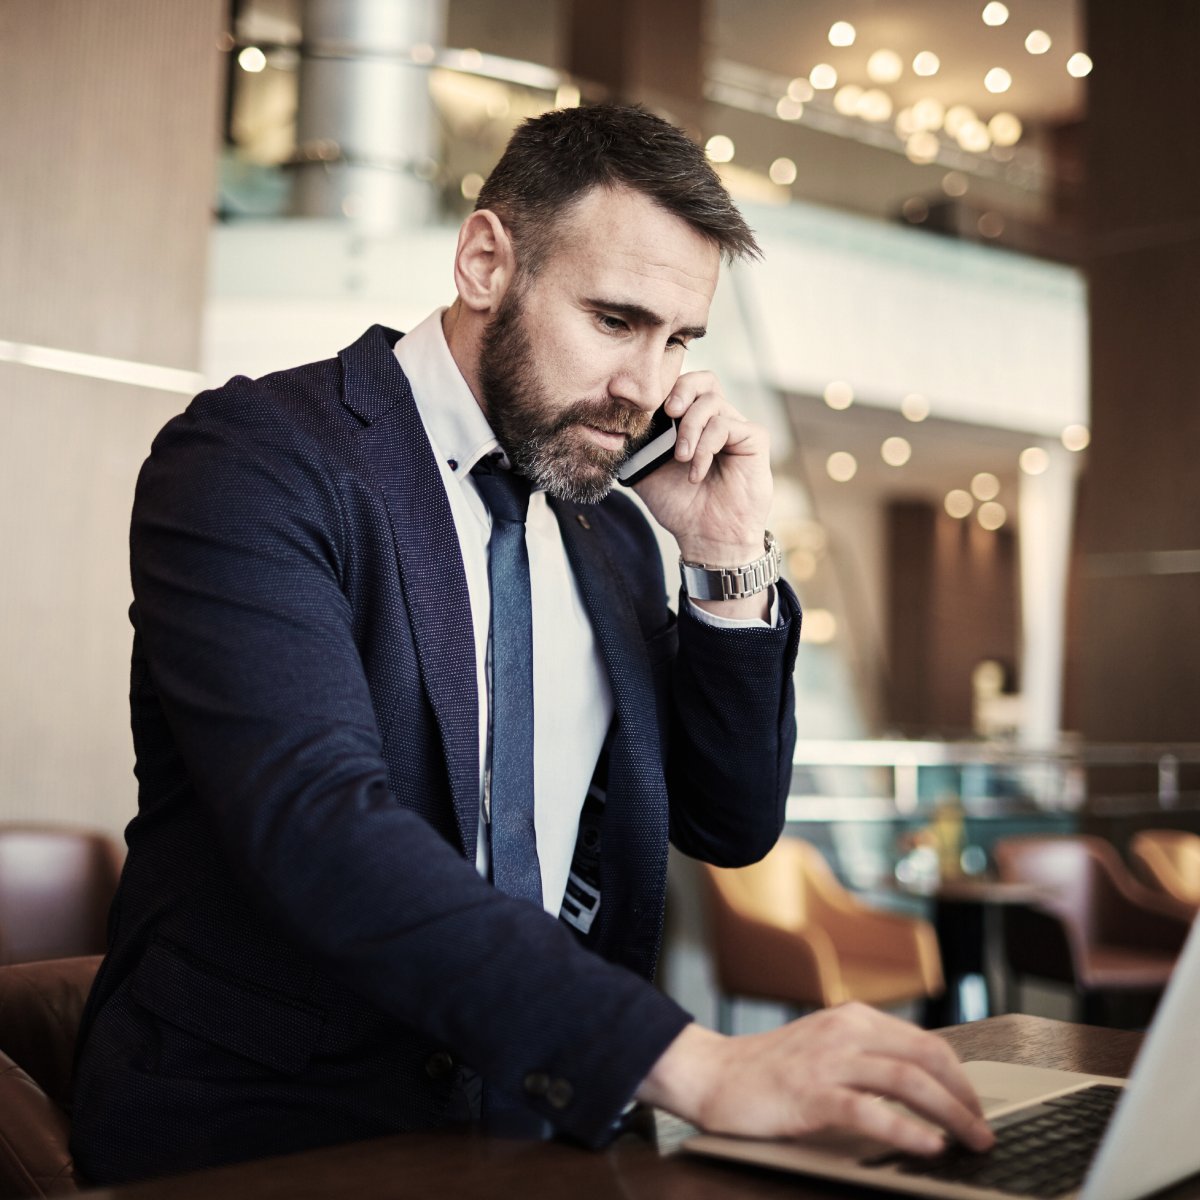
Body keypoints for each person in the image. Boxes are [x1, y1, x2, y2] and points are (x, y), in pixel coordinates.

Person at [71, 103, 992, 1185]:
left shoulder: (610, 525)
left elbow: (730, 824)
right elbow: (316, 824)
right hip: (271, 1134)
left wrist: (728, 554)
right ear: (483, 262)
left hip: (548, 1133)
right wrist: (683, 1063)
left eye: (679, 339)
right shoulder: (256, 462)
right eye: (615, 320)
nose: (647, 387)